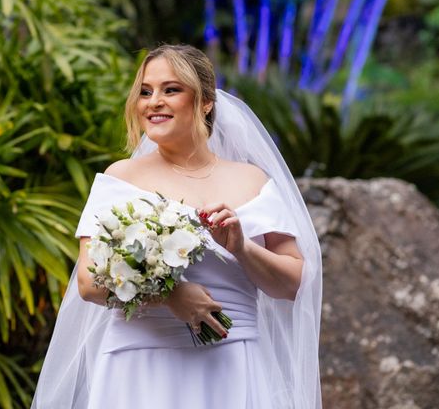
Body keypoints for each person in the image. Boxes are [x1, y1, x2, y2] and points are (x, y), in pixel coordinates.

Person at [32, 44, 322, 409]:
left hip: (230, 362)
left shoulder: (253, 180)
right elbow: (89, 283)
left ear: (205, 102)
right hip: (138, 366)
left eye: (171, 90)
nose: (153, 101)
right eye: (145, 91)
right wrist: (171, 297)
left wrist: (242, 248)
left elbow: (293, 284)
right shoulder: (119, 179)